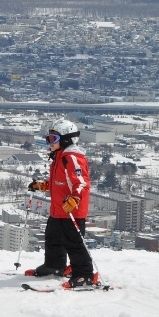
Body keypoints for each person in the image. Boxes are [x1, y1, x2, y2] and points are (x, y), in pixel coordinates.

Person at [25, 118, 96, 288]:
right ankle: (54, 266)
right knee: (52, 237)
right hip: (58, 209)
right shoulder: (59, 157)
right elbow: (60, 183)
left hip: (72, 211)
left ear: (65, 139)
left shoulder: (72, 158)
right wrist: (43, 185)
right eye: (48, 139)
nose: (49, 143)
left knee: (73, 242)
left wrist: (75, 198)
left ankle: (84, 274)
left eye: (52, 139)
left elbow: (82, 183)